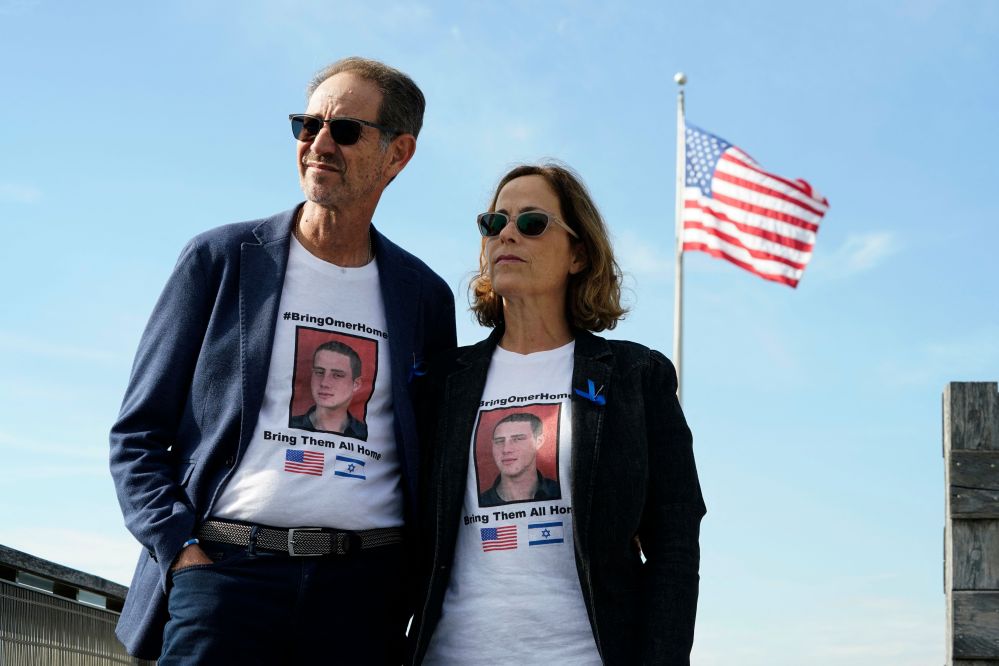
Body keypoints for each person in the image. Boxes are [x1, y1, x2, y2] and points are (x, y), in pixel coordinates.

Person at [109, 57, 456, 664]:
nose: (319, 144)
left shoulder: (424, 297)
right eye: (306, 126)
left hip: (362, 598)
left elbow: (433, 454)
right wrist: (179, 547)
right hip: (224, 577)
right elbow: (137, 433)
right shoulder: (219, 260)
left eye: (344, 130)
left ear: (397, 155)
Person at [410, 163, 705, 665]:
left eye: (531, 223)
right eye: (493, 222)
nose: (506, 233)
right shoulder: (442, 382)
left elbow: (675, 545)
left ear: (578, 254)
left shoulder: (636, 377)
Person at [478, 412, 560, 507]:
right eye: (499, 441)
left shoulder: (563, 492)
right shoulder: (478, 503)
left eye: (518, 439)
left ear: (538, 442)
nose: (506, 449)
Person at [290, 339, 368, 438]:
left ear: (356, 384)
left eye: (337, 375)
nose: (324, 383)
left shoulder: (366, 435)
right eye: (319, 372)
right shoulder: (287, 426)